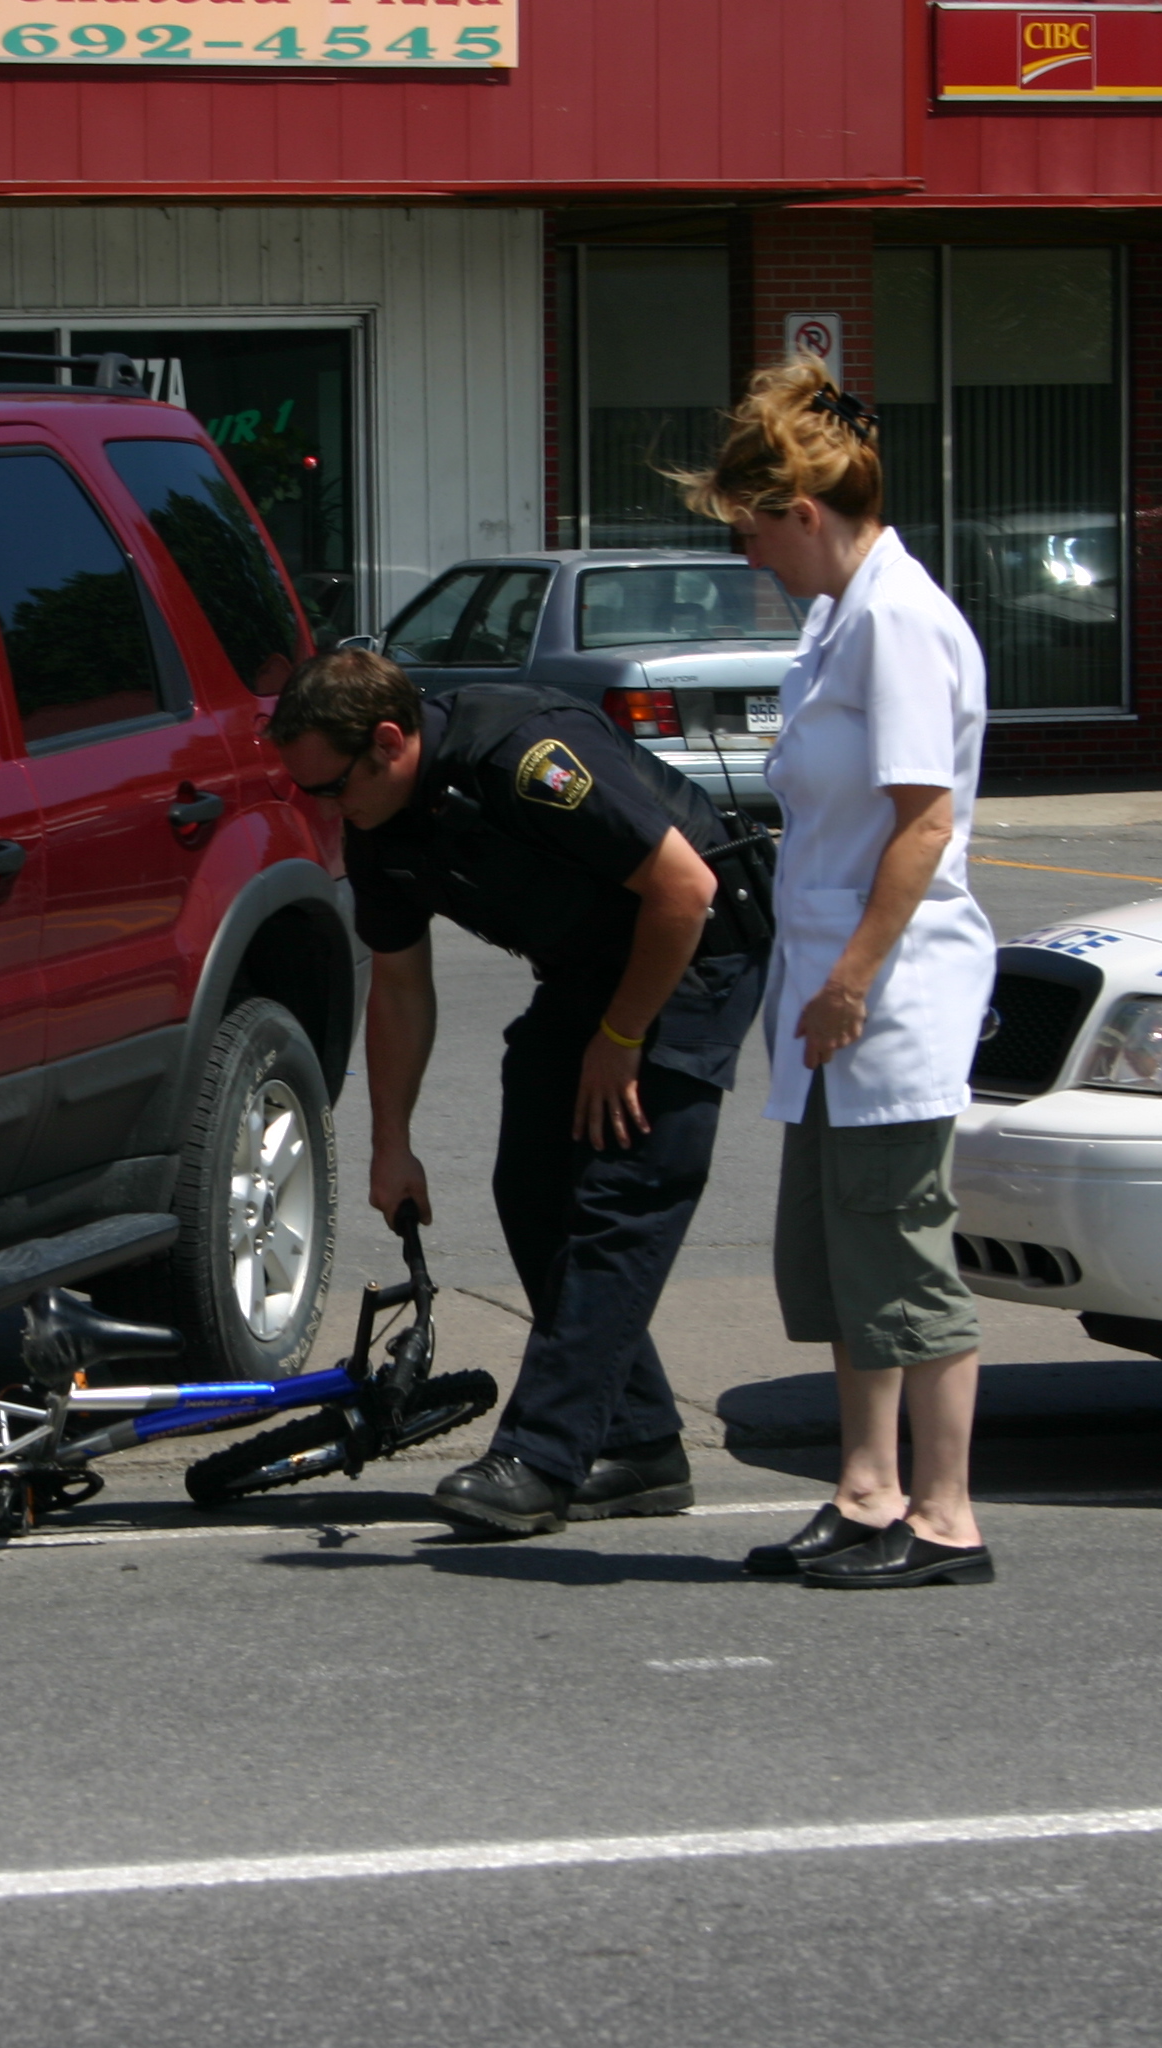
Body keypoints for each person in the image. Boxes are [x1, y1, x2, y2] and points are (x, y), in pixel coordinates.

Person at [266, 648, 768, 1537]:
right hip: (589, 969)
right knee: (532, 1186)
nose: (325, 811)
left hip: (689, 954)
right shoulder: (383, 825)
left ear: (389, 741)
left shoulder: (525, 759)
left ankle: (540, 1455)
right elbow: (401, 986)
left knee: (620, 1199)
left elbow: (685, 890)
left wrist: (620, 1040)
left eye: (331, 788)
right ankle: (639, 1442)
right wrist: (392, 1142)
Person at [675, 358, 998, 1590]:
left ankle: (947, 1516)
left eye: (757, 530)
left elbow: (924, 821)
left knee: (902, 1249)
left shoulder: (901, 621)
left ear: (805, 513)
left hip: (887, 995)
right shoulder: (838, 616)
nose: (753, 555)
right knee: (841, 1254)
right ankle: (868, 1491)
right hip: (829, 998)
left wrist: (856, 976)